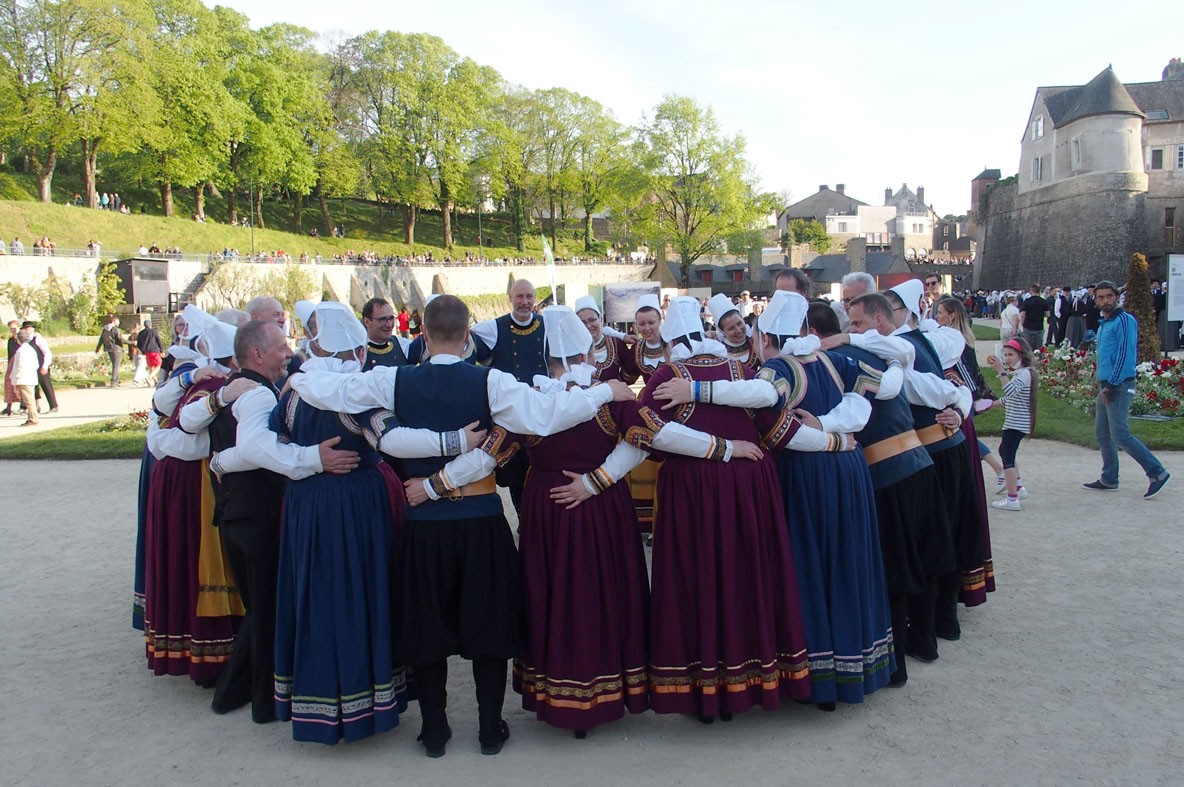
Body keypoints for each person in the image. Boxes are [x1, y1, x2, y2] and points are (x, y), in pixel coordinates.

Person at [286, 294, 636, 758]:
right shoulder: (491, 381)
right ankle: (490, 728)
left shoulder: (392, 379)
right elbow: (547, 416)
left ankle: (435, 731)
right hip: (479, 517)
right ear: (469, 336)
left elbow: (332, 391)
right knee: (488, 627)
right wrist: (603, 391)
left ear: (424, 336)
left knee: (427, 627)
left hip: (423, 520)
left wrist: (299, 374)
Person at [413, 306, 763, 737]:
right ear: (589, 349)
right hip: (603, 508)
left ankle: (559, 694)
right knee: (604, 593)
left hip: (549, 507)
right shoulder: (611, 396)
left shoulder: (530, 401)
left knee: (556, 595)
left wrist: (433, 485)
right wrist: (723, 449)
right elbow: (654, 438)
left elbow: (486, 457)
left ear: (545, 353)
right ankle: (610, 689)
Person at [639, 297, 825, 721]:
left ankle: (701, 692)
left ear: (670, 341)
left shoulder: (668, 375)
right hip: (748, 486)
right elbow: (780, 431)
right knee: (746, 578)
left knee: (697, 581)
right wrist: (834, 440)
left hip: (691, 491)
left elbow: (646, 433)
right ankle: (753, 682)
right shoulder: (744, 371)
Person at [750, 292, 895, 708]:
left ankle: (818, 681)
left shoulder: (778, 370)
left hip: (805, 474)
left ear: (767, 334)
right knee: (846, 564)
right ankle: (855, 668)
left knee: (809, 566)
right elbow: (873, 396)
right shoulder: (835, 360)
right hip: (848, 469)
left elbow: (763, 412)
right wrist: (836, 431)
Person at [1084, 280, 1172, 498]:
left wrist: (1111, 385)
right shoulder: (1105, 323)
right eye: (1101, 297)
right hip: (1108, 384)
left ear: (1116, 297)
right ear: (1096, 301)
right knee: (1103, 434)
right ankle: (1109, 477)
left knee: (1120, 435)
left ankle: (1156, 472)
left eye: (1109, 296)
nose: (1105, 301)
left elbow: (1125, 354)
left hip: (1119, 384)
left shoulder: (1124, 320)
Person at [987, 338, 1037, 511]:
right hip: (1016, 421)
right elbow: (1011, 398)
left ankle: (1012, 498)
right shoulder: (1023, 373)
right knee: (1007, 452)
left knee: (1007, 457)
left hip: (1017, 422)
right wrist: (990, 404)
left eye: (1010, 355)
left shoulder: (1023, 374)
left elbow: (1009, 391)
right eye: (1005, 355)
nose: (1007, 358)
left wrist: (1001, 372)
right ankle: (1018, 488)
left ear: (1020, 354)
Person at [573, 295, 629, 381]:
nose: (588, 326)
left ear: (600, 319)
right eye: (582, 322)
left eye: (592, 320)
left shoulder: (616, 345)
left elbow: (629, 377)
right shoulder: (571, 350)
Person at [706, 292, 759, 370]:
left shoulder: (756, 342)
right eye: (731, 328)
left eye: (739, 323)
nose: (738, 330)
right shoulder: (716, 350)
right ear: (722, 331)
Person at [360, 297, 410, 370]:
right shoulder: (356, 353)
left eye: (391, 318)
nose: (389, 325)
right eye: (382, 319)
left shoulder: (402, 345)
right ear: (367, 321)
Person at [22, 322, 58, 412]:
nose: (27, 330)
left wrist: (45, 366)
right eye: (25, 329)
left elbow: (47, 353)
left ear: (33, 329)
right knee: (33, 387)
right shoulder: (25, 340)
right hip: (31, 367)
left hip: (41, 365)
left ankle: (53, 406)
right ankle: (35, 407)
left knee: (46, 386)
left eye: (29, 328)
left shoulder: (37, 339)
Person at [10, 327, 40, 426]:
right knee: (30, 399)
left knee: (29, 400)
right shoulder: (30, 349)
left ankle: (33, 419)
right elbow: (36, 365)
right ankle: (32, 417)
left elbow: (20, 366)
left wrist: (16, 377)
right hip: (30, 376)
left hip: (24, 378)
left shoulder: (21, 351)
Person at [95, 315, 125, 387]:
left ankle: (116, 380)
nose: (119, 323)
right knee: (116, 365)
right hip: (116, 349)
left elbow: (101, 340)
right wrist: (132, 342)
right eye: (117, 321)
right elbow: (120, 339)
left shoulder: (105, 329)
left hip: (109, 349)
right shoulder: (115, 329)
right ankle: (114, 381)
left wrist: (97, 349)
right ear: (113, 321)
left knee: (115, 365)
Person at [1019, 286, 1048, 350]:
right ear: (1039, 291)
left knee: (1028, 346)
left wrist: (1022, 323)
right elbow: (1048, 314)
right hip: (1039, 325)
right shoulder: (1043, 301)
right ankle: (1039, 359)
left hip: (1028, 325)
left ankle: (1029, 358)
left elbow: (1023, 314)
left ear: (1031, 291)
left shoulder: (1027, 301)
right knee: (1039, 346)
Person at [137, 319, 163, 386]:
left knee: (151, 367)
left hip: (146, 352)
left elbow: (138, 344)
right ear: (150, 324)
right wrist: (161, 349)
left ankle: (156, 381)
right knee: (159, 365)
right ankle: (149, 377)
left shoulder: (141, 333)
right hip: (154, 350)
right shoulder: (153, 331)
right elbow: (158, 340)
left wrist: (142, 350)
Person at [4, 320, 20, 416]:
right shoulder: (11, 340)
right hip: (12, 362)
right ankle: (8, 407)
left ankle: (25, 406)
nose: (13, 330)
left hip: (20, 362)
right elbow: (10, 353)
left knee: (21, 385)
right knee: (9, 383)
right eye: (11, 329)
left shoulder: (22, 338)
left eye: (14, 328)